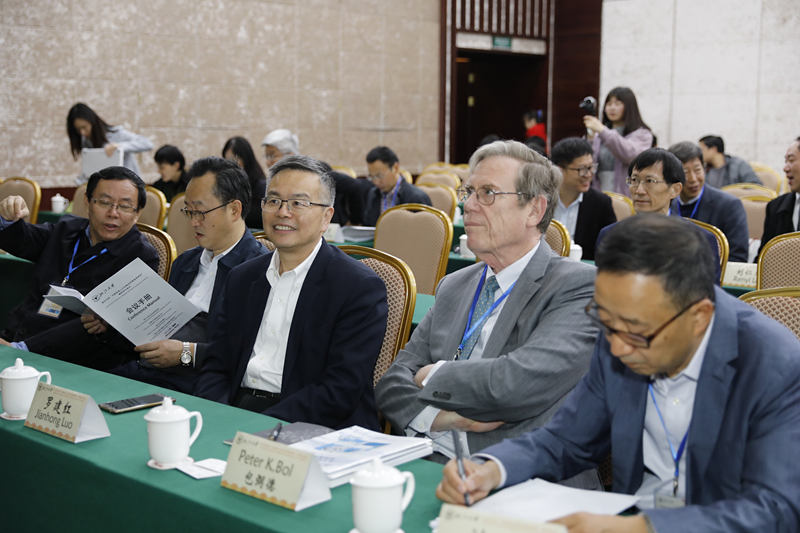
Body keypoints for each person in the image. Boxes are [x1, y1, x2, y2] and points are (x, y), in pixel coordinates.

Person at [437, 214, 800, 533]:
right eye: (606, 322)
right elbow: (567, 439)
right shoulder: (619, 335)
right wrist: (491, 469)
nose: (619, 348)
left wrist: (643, 528)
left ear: (699, 317)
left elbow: (776, 509)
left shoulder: (776, 365)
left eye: (636, 333)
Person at [375, 141, 600, 489]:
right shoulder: (454, 284)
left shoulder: (577, 286)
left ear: (534, 210)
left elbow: (514, 384)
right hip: (430, 462)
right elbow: (391, 383)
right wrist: (445, 418)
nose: (468, 205)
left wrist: (434, 373)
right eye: (469, 192)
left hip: (521, 479)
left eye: (488, 193)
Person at [194, 155, 388, 430]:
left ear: (326, 217)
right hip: (236, 411)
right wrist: (219, 413)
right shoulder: (242, 278)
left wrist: (260, 426)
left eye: (298, 203)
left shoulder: (358, 287)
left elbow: (340, 389)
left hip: (314, 423)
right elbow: (216, 364)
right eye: (273, 201)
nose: (283, 212)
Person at [109, 157, 267, 393]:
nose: (193, 222)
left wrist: (186, 353)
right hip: (150, 370)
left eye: (201, 212)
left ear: (234, 209)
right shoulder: (186, 261)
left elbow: (250, 351)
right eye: (189, 211)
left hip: (201, 384)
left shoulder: (258, 269)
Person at [0, 167, 159, 367]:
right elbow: (21, 239)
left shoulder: (141, 257)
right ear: (87, 201)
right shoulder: (67, 229)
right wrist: (7, 217)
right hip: (17, 336)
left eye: (125, 206)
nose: (113, 213)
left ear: (138, 213)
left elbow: (114, 328)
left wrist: (21, 350)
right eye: (104, 202)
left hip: (72, 359)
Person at [596, 148, 722, 282]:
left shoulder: (701, 239)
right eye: (634, 180)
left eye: (650, 181)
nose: (639, 190)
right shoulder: (610, 235)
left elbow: (708, 292)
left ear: (675, 190)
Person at [667, 141, 749, 262]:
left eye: (697, 170)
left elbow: (737, 257)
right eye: (685, 173)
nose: (693, 179)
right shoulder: (666, 204)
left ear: (704, 168)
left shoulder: (729, 206)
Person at [550, 137, 616, 260]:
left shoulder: (601, 203)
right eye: (582, 169)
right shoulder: (542, 200)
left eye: (591, 168)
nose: (588, 175)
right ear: (559, 170)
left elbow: (610, 250)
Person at [584, 87, 654, 196]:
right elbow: (586, 162)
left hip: (626, 196)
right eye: (609, 104)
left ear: (629, 107)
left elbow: (630, 155)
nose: (612, 108)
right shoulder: (599, 134)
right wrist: (591, 139)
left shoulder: (642, 134)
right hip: (599, 194)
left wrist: (602, 130)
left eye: (617, 104)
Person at [67, 103, 153, 184]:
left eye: (84, 127)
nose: (82, 132)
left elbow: (147, 143)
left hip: (129, 184)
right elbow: (92, 168)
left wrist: (119, 146)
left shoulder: (116, 134)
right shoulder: (86, 142)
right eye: (78, 129)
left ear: (92, 122)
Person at [363, 146, 432, 226]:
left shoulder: (416, 198)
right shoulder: (373, 194)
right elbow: (367, 227)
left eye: (379, 176)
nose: (376, 182)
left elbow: (426, 230)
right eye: (372, 177)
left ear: (395, 168)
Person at [759, 136, 800, 256]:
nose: (785, 168)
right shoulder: (775, 207)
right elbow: (763, 257)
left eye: (791, 160)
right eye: (785, 161)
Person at [222, 136, 267, 228]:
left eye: (234, 160)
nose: (230, 166)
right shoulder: (229, 186)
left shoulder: (261, 186)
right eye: (227, 161)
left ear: (246, 159)